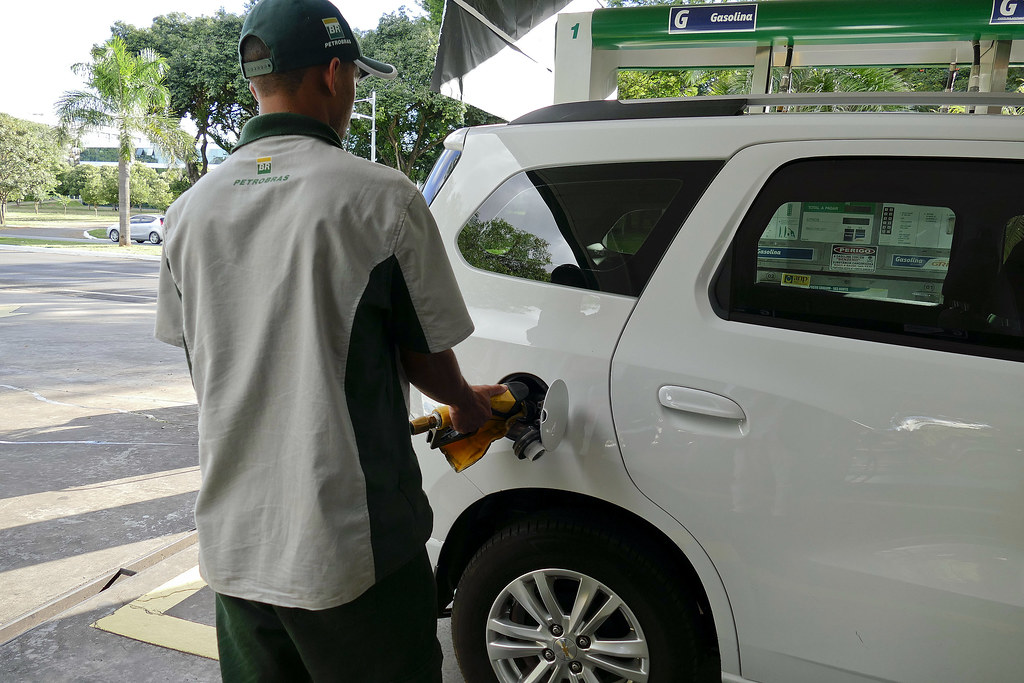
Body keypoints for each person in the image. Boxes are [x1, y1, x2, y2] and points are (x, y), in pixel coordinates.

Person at [154, 0, 503, 679]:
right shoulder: (380, 198)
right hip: (351, 547)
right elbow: (426, 357)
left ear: (257, 80)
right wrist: (465, 404)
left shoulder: (188, 212)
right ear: (336, 74)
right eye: (354, 80)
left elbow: (206, 359)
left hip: (235, 545)